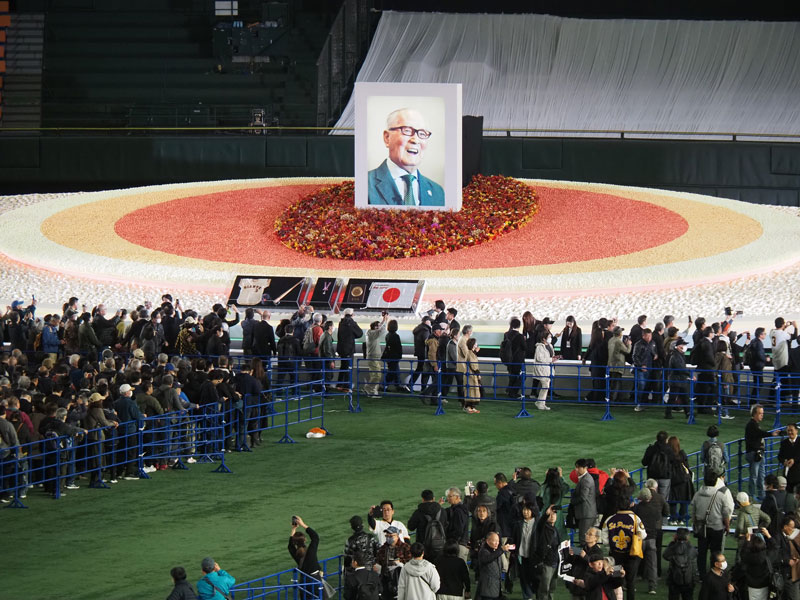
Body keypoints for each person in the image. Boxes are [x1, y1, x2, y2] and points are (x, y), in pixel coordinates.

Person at [367, 108, 445, 207]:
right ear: (387, 138)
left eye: (422, 134)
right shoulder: (365, 184)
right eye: (407, 131)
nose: (415, 140)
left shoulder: (438, 192)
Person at [689, 471, 734, 579]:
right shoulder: (721, 495)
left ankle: (701, 574)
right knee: (716, 552)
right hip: (717, 528)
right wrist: (727, 526)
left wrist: (695, 523)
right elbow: (726, 514)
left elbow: (693, 511)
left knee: (702, 552)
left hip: (701, 528)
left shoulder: (697, 494)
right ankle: (715, 574)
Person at [604, 495, 647, 600]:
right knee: (631, 582)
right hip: (631, 555)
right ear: (630, 505)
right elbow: (643, 535)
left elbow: (604, 539)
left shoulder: (610, 519)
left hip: (616, 555)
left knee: (617, 581)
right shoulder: (635, 519)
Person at [745, 404, 780, 501]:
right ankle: (752, 495)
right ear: (754, 414)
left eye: (762, 413)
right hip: (754, 453)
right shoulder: (751, 425)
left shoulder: (754, 424)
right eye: (760, 413)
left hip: (758, 453)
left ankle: (761, 495)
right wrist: (771, 434)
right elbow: (759, 433)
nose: (762, 415)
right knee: (755, 476)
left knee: (761, 475)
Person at [408, 489, 449, 562]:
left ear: (423, 499)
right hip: (439, 546)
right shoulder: (442, 511)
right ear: (433, 498)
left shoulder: (418, 512)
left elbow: (410, 527)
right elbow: (446, 526)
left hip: (423, 548)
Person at [531, 507, 561, 600]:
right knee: (544, 589)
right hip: (546, 563)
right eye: (550, 515)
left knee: (552, 588)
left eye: (554, 514)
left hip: (554, 563)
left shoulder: (555, 529)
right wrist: (546, 514)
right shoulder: (543, 528)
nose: (552, 516)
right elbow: (540, 523)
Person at [376, 526, 413, 600]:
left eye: (391, 536)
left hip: (400, 579)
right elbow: (378, 561)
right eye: (387, 536)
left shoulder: (405, 547)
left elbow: (410, 561)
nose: (388, 538)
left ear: (397, 536)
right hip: (386, 580)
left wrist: (400, 562)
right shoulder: (383, 548)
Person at [663, 528, 698, 600]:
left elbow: (665, 556)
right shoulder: (690, 548)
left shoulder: (673, 547)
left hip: (674, 578)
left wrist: (673, 543)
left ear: (676, 536)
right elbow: (695, 554)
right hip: (688, 579)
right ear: (687, 537)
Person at [512, 503, 539, 600]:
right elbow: (514, 539)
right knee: (523, 578)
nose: (525, 512)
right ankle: (528, 597)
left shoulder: (538, 524)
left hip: (534, 557)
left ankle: (535, 593)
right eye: (524, 510)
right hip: (522, 556)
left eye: (528, 510)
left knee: (535, 577)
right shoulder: (518, 524)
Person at [571, 458, 598, 545]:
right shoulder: (585, 478)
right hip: (587, 513)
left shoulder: (585, 480)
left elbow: (583, 497)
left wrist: (573, 501)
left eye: (578, 467)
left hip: (586, 514)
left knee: (584, 539)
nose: (576, 469)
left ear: (585, 468)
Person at [667, 435, 693, 526]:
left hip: (673, 481)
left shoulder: (669, 455)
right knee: (683, 500)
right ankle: (681, 519)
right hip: (683, 480)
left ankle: (673, 519)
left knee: (673, 500)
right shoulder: (682, 454)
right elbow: (687, 466)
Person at [442, 487, 471, 561]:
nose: (447, 498)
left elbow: (459, 530)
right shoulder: (457, 508)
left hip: (458, 545)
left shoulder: (458, 511)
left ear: (457, 497)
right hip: (459, 543)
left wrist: (451, 541)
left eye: (450, 496)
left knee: (459, 565)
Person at [364, 315, 388, 398]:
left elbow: (380, 328)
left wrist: (383, 320)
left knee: (375, 375)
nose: (379, 327)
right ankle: (369, 388)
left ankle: (373, 391)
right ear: (374, 327)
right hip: (373, 357)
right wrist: (385, 320)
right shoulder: (372, 333)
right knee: (377, 375)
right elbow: (382, 330)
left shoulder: (372, 333)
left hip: (375, 357)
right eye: (377, 326)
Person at [531, 330, 556, 410]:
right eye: (549, 337)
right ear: (543, 338)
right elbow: (540, 358)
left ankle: (540, 402)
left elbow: (551, 356)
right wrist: (551, 359)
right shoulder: (539, 347)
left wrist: (555, 358)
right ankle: (540, 403)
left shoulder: (550, 346)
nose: (550, 338)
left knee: (546, 386)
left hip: (548, 369)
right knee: (545, 386)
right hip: (541, 369)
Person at [502, 317, 526, 399]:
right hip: (518, 360)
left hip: (509, 359)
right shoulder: (520, 336)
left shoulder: (506, 334)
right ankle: (513, 392)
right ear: (519, 326)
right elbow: (524, 347)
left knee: (512, 375)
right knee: (522, 376)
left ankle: (509, 391)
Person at [779, 423, 800, 493]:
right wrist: (784, 461)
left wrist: (794, 460)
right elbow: (780, 456)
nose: (790, 432)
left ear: (796, 431)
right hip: (788, 475)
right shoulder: (784, 443)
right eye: (788, 430)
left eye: (791, 430)